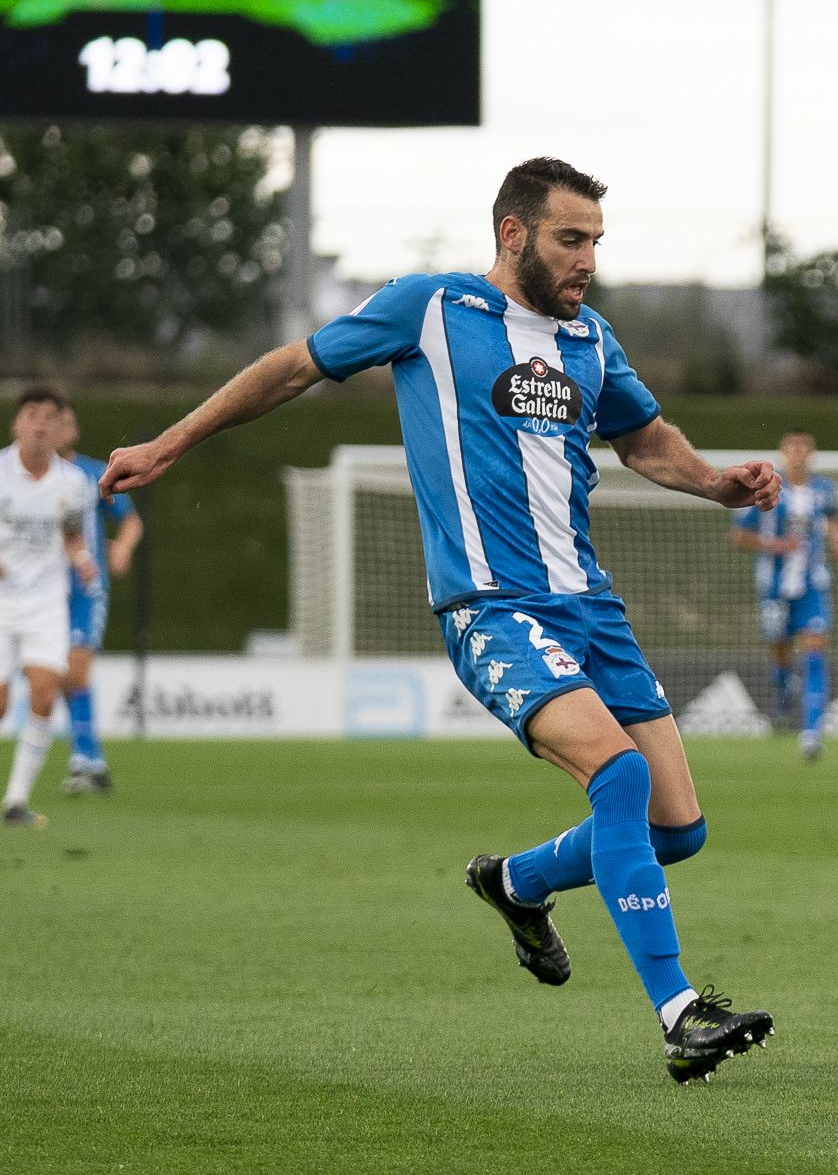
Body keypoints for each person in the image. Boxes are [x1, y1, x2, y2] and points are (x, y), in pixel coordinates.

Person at [100, 157, 777, 1083]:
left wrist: (715, 482)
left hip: (592, 607)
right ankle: (678, 1012)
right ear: (513, 234)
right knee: (616, 778)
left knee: (677, 828)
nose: (587, 260)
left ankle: (518, 882)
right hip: (492, 608)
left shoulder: (591, 337)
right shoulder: (433, 307)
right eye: (570, 239)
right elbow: (293, 367)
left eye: (595, 243)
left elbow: (644, 437)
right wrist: (169, 441)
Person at [0, 389, 98, 827]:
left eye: (49, 417)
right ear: (16, 425)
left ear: (59, 428)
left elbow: (72, 534)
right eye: (31, 415)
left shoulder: (73, 481)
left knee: (44, 692)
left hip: (45, 602)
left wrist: (82, 560)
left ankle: (15, 800)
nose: (40, 424)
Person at [729, 430, 838, 760]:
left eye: (803, 449)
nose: (797, 455)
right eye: (791, 449)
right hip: (774, 587)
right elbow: (739, 535)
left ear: (811, 454)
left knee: (814, 652)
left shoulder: (823, 489)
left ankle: (811, 733)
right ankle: (782, 698)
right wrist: (774, 545)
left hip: (813, 585)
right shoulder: (766, 489)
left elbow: (833, 520)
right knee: (780, 653)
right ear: (782, 453)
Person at [49, 392, 144, 796]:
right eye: (55, 421)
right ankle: (93, 760)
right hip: (39, 592)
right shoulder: (17, 477)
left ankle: (83, 761)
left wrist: (121, 548)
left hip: (86, 589)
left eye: (68, 422)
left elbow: (131, 520)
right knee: (54, 677)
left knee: (75, 670)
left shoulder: (92, 475)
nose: (62, 429)